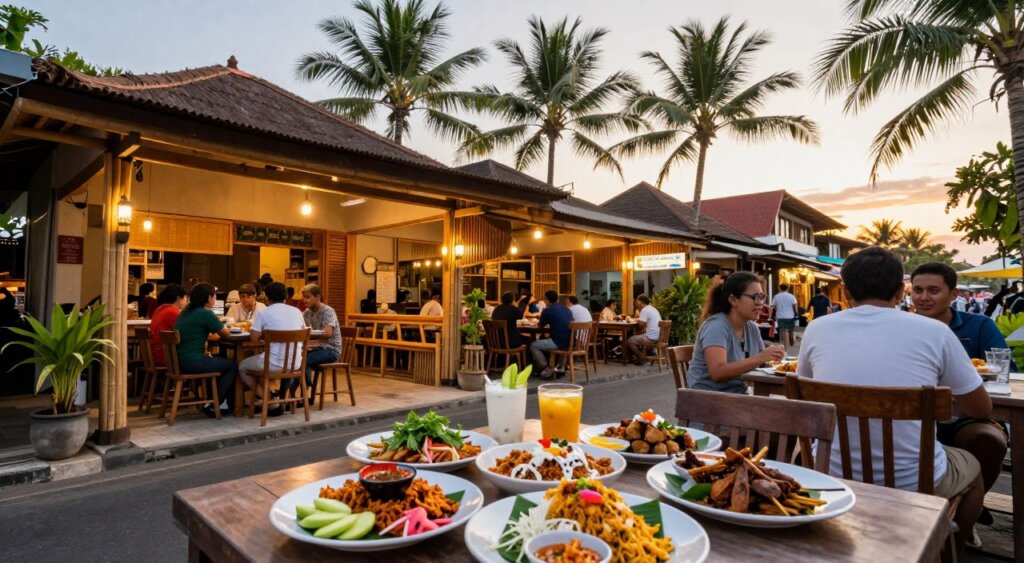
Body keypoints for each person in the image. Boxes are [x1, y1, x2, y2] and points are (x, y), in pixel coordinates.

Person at [798, 247, 990, 552]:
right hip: (914, 478)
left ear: (845, 292)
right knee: (973, 467)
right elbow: (981, 408)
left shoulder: (817, 328)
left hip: (831, 470)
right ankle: (947, 546)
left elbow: (806, 398)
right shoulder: (935, 331)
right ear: (902, 291)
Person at [909, 262, 1010, 523]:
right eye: (917, 290)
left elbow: (1004, 368)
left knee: (989, 439)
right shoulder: (903, 327)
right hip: (915, 420)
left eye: (933, 290)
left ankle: (970, 507)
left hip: (969, 415)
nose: (923, 297)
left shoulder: (979, 326)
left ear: (953, 295)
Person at [687, 273, 785, 393]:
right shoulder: (716, 326)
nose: (760, 303)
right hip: (708, 399)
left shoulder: (751, 327)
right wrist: (761, 357)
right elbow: (717, 372)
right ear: (733, 300)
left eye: (762, 297)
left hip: (739, 395)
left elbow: (760, 363)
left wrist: (773, 358)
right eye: (755, 297)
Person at [239, 282, 306, 412]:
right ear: (285, 297)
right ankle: (276, 398)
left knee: (242, 367)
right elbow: (303, 331)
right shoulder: (297, 312)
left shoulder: (264, 313)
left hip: (272, 364)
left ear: (266, 298)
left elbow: (253, 338)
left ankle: (269, 398)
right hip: (295, 364)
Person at [174, 283, 237, 417]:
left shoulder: (185, 313)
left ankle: (221, 402)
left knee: (219, 359)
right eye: (214, 296)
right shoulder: (205, 313)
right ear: (209, 297)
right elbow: (226, 335)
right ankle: (216, 403)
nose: (215, 299)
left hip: (180, 362)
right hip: (194, 362)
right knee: (232, 365)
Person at [300, 283, 340, 395]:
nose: (305, 300)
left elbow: (328, 333)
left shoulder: (328, 311)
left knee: (303, 359)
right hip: (318, 347)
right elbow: (300, 328)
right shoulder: (307, 313)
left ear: (317, 297)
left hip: (331, 349)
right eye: (304, 297)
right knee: (296, 358)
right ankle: (297, 393)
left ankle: (305, 391)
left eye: (308, 297)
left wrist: (309, 334)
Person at [530, 291, 573, 379]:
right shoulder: (567, 309)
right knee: (546, 339)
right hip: (570, 343)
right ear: (557, 299)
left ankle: (544, 366)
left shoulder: (548, 310)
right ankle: (559, 369)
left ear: (546, 300)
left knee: (533, 345)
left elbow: (540, 327)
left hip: (558, 342)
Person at [148, 284, 187, 367]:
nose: (186, 301)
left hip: (154, 355)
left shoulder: (160, 309)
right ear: (178, 298)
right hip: (166, 358)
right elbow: (186, 334)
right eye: (185, 298)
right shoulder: (173, 312)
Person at [627, 294, 663, 364]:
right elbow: (643, 322)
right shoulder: (653, 309)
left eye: (637, 301)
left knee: (630, 340)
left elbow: (641, 325)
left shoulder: (645, 310)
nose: (636, 303)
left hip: (651, 337)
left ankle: (641, 358)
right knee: (638, 335)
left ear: (641, 302)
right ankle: (642, 356)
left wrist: (633, 320)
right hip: (658, 336)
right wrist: (638, 320)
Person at [771, 284, 798, 349]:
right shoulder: (791, 296)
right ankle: (792, 344)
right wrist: (796, 314)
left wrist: (772, 316)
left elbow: (773, 307)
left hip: (780, 316)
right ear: (787, 288)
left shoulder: (776, 296)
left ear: (779, 288)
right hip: (790, 316)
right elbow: (795, 306)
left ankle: (785, 347)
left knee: (783, 331)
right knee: (791, 331)